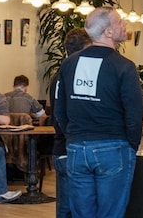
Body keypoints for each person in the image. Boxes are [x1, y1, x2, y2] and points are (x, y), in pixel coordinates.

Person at [54, 6, 143, 218]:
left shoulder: (68, 64)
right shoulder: (124, 66)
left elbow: (59, 110)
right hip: (113, 147)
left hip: (76, 149)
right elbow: (134, 113)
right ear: (108, 32)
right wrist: (131, 145)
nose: (125, 25)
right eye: (120, 22)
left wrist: (74, 136)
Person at [50, 27, 91, 218]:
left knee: (65, 208)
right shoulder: (79, 76)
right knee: (80, 209)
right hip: (74, 148)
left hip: (61, 150)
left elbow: (58, 113)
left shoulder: (57, 77)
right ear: (85, 48)